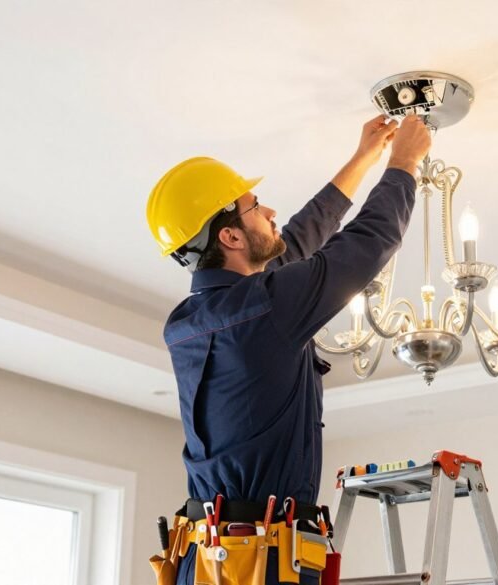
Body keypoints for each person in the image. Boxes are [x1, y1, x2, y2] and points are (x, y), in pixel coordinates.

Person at [145, 114, 432, 585]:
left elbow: (294, 241)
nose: (270, 210)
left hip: (210, 559)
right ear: (230, 236)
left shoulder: (191, 320)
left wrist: (362, 159)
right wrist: (404, 163)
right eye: (255, 206)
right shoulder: (265, 308)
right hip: (259, 564)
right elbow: (367, 243)